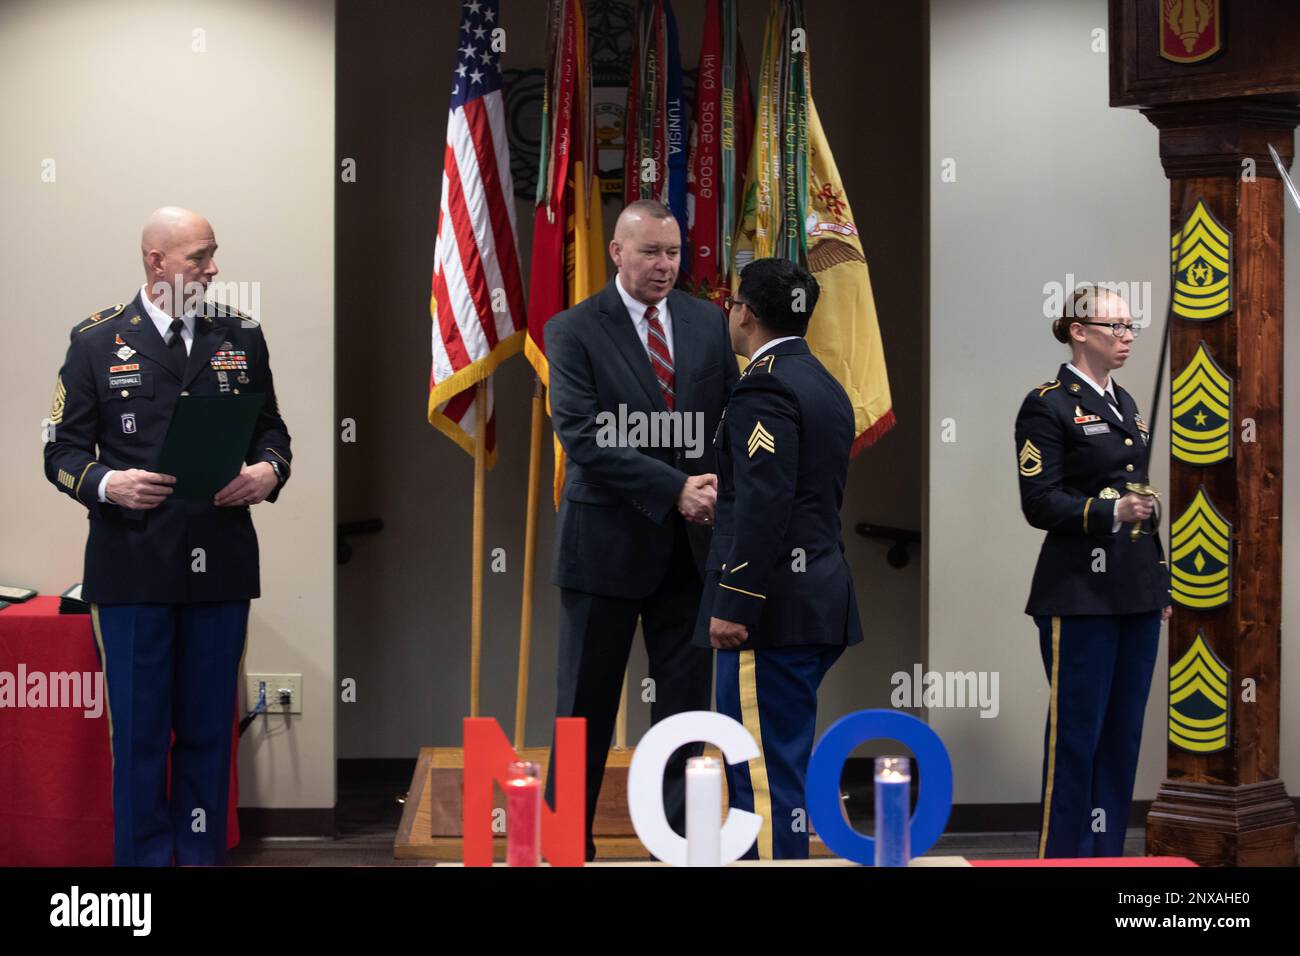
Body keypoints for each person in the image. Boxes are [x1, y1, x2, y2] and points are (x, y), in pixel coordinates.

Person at [42, 206, 292, 865]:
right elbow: (61, 454)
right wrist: (107, 484)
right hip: (132, 568)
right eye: (199, 256)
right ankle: (146, 869)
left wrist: (268, 469)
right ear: (156, 262)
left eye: (213, 255)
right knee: (142, 736)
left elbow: (273, 432)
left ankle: (201, 857)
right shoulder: (96, 342)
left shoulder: (241, 336)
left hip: (222, 563)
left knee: (210, 731)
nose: (213, 268)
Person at [543, 198, 739, 861]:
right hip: (604, 546)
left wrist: (716, 487)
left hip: (690, 551)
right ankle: (567, 842)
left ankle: (680, 841)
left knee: (684, 709)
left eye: (674, 252)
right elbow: (583, 435)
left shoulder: (707, 321)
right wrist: (674, 488)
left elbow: (725, 420)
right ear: (617, 253)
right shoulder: (571, 328)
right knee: (583, 708)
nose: (665, 265)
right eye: (651, 252)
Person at [695, 257, 863, 860]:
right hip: (815, 595)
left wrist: (735, 601)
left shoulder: (763, 384)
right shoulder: (824, 380)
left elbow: (767, 502)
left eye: (735, 302)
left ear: (746, 314)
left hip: (769, 613)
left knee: (760, 777)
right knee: (779, 765)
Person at [1014, 284, 1171, 859]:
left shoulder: (1125, 402)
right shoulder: (1048, 403)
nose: (1127, 336)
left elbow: (1143, 500)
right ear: (1079, 331)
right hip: (1079, 592)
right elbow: (1039, 501)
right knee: (1077, 737)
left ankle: (1105, 855)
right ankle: (1062, 857)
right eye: (1115, 327)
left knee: (1122, 735)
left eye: (1132, 327)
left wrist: (1159, 581)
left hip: (1135, 591)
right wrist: (1108, 511)